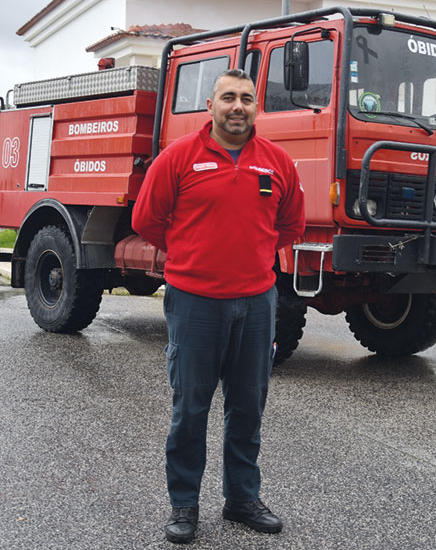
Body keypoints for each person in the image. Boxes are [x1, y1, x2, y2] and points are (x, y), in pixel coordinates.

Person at [132, 68, 305, 544]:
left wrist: (254, 259)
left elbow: (290, 225)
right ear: (210, 106)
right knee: (191, 407)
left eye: (246, 99)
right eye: (227, 97)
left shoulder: (276, 163)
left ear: (256, 108)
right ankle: (184, 505)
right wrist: (191, 254)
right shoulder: (179, 157)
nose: (237, 107)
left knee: (248, 406)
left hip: (256, 303)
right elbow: (147, 220)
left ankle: (241, 499)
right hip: (195, 304)